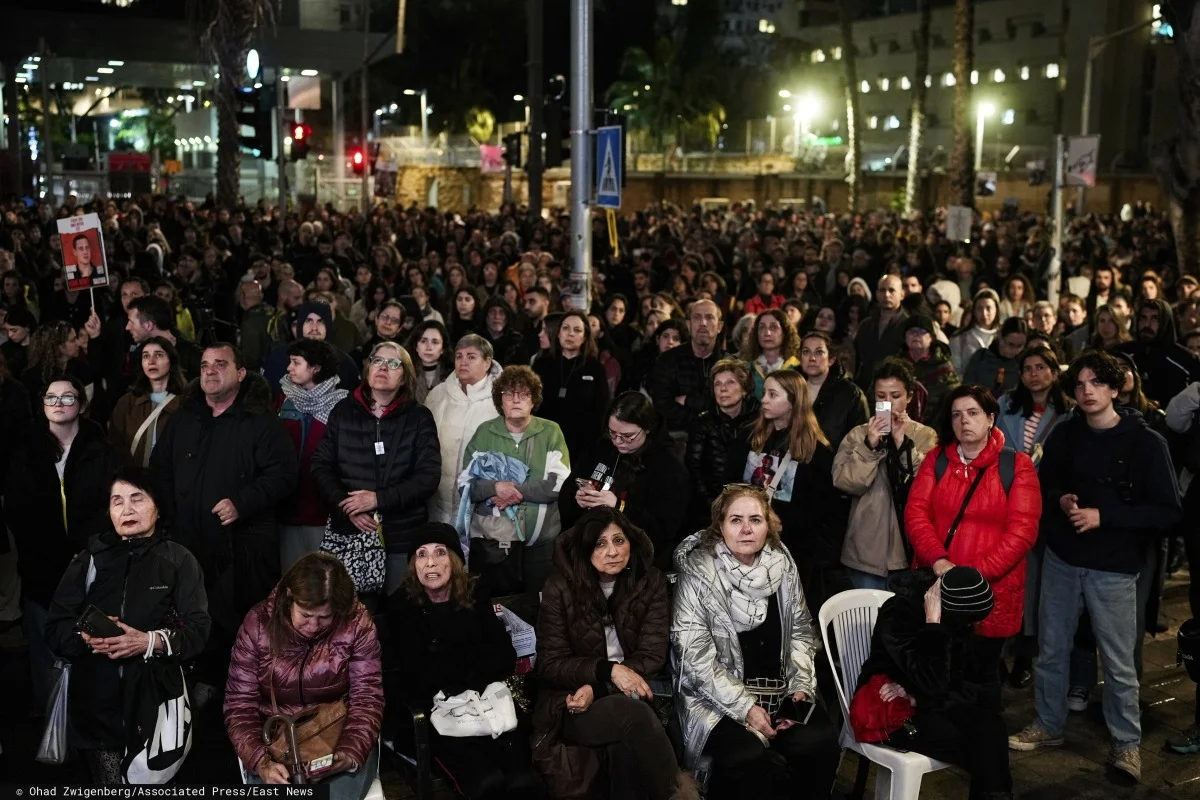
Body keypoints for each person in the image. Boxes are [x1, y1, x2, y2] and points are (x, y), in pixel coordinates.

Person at [1009, 351, 1181, 784]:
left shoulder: (1145, 442)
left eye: (1096, 383)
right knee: (1051, 650)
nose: (1087, 391)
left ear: (1115, 387)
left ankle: (1126, 745)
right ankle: (1048, 724)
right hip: (1064, 558)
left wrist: (1106, 517)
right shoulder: (1067, 433)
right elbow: (1045, 484)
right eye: (1080, 384)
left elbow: (1167, 512)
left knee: (1119, 663)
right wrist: (1061, 500)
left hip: (1114, 566)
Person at [671, 484, 840, 800]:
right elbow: (694, 659)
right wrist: (746, 708)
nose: (746, 529)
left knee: (819, 743)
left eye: (755, 519)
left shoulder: (782, 563)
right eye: (735, 520)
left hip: (779, 693)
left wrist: (799, 691)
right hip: (717, 701)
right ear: (719, 526)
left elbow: (801, 633)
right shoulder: (698, 572)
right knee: (747, 757)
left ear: (768, 525)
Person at [45, 466, 211, 784]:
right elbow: (54, 631)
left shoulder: (178, 560)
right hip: (95, 712)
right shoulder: (88, 560)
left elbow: (199, 631)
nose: (127, 509)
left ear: (158, 507)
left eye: (137, 498)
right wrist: (84, 636)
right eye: (117, 501)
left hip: (157, 706)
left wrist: (147, 641)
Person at [149, 343, 298, 692]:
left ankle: (243, 699)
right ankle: (199, 690)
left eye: (220, 364)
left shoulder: (260, 422)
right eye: (204, 365)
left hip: (242, 552)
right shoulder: (184, 419)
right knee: (193, 621)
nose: (210, 371)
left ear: (241, 373)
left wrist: (242, 503)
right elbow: (159, 471)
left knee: (243, 633)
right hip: (187, 546)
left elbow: (284, 476)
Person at [531, 508, 694, 800]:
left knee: (625, 748)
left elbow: (652, 653)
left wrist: (601, 685)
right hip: (571, 702)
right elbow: (550, 663)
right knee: (632, 715)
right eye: (600, 543)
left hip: (633, 691)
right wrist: (607, 672)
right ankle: (679, 795)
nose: (612, 552)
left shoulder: (650, 581)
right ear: (585, 548)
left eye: (619, 541)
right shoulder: (559, 587)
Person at [904, 383, 1040, 710]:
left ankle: (981, 744)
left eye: (973, 413)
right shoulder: (937, 460)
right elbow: (916, 514)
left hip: (989, 592)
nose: (964, 421)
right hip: (938, 581)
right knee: (939, 666)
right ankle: (943, 740)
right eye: (956, 415)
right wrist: (938, 562)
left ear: (991, 418)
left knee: (982, 674)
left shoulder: (1016, 465)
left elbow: (1021, 533)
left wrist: (969, 577)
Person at [385, 523, 543, 799]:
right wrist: (471, 668)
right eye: (421, 555)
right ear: (413, 565)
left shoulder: (474, 593)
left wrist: (457, 672)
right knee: (487, 783)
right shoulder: (402, 606)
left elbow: (504, 656)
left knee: (524, 781)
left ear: (455, 560)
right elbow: (416, 677)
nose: (431, 562)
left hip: (487, 705)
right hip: (439, 715)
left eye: (440, 553)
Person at [224, 553, 383, 799]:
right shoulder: (258, 624)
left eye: (324, 618)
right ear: (289, 598)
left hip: (338, 737)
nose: (313, 626)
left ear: (338, 611)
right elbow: (239, 706)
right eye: (306, 615)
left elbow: (367, 698)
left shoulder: (357, 623)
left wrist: (349, 753)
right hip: (276, 746)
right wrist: (260, 762)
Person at [6, 375, 121, 712]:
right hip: (41, 565)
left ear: (80, 405)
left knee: (94, 643)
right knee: (45, 646)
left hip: (91, 563)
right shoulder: (26, 450)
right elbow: (17, 508)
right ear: (42, 406)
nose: (58, 403)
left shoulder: (101, 449)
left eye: (67, 397)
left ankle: (92, 721)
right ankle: (53, 726)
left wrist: (91, 549)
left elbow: (112, 504)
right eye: (51, 398)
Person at [852, 568, 1013, 800]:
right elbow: (932, 680)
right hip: (891, 707)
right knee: (978, 746)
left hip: (925, 698)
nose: (972, 626)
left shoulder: (960, 615)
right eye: (969, 621)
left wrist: (921, 697)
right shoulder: (901, 612)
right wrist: (933, 624)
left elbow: (972, 682)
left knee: (991, 726)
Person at [311, 341, 441, 596]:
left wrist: (377, 499)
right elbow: (320, 465)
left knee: (398, 616)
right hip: (350, 534)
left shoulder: (419, 418)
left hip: (401, 537)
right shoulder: (343, 411)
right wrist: (346, 508)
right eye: (377, 360)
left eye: (394, 363)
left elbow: (428, 477)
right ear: (367, 368)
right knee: (351, 616)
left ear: (405, 377)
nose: (383, 367)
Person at [733, 370, 842, 603]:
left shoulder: (816, 451)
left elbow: (824, 511)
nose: (764, 400)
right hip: (745, 548)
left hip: (794, 554)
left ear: (793, 401)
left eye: (773, 395)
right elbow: (730, 485)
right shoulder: (749, 437)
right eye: (765, 393)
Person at [461, 365, 571, 595]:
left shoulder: (551, 431)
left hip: (541, 542)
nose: (516, 400)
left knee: (540, 607)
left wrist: (513, 492)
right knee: (497, 608)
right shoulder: (484, 432)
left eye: (524, 394)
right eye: (509, 394)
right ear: (500, 401)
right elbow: (466, 485)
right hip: (494, 543)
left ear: (534, 400)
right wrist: (495, 487)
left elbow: (558, 483)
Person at [834, 358, 938, 590]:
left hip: (910, 549)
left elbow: (923, 485)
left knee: (903, 624)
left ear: (909, 397)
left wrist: (902, 442)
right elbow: (845, 483)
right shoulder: (857, 435)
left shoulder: (925, 436)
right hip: (865, 552)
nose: (888, 402)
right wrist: (869, 445)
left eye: (895, 395)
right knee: (864, 624)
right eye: (881, 396)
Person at [560, 392, 691, 572]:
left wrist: (619, 506)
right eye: (612, 433)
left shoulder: (668, 468)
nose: (618, 441)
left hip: (636, 565)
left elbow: (663, 530)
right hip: (587, 555)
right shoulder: (602, 447)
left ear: (647, 428)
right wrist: (577, 497)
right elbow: (567, 489)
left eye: (628, 436)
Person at [276, 338, 349, 572]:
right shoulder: (282, 401)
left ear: (315, 368)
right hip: (286, 508)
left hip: (323, 511)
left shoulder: (341, 406)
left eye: (296, 362)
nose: (289, 368)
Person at [426, 334, 503, 524]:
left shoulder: (500, 399)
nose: (463, 362)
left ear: (487, 362)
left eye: (471, 356)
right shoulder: (438, 394)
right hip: (437, 496)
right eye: (459, 356)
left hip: (481, 501)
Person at [533, 310, 611, 468]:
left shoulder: (595, 368)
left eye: (577, 330)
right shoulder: (541, 364)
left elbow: (601, 411)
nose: (570, 334)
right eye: (566, 328)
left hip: (581, 447)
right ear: (558, 333)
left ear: (585, 336)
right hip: (544, 443)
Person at [687, 358, 759, 519]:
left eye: (730, 383)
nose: (723, 389)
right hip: (711, 503)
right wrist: (713, 504)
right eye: (717, 384)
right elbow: (694, 469)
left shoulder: (759, 421)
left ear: (744, 389)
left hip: (752, 501)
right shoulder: (702, 422)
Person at [649, 299, 724, 436]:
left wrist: (689, 400)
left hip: (720, 438)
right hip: (678, 438)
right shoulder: (666, 361)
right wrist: (700, 422)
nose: (703, 323)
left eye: (709, 317)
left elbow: (731, 406)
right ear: (689, 325)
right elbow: (662, 406)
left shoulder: (729, 364)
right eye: (697, 317)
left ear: (719, 326)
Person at [108, 336, 186, 467]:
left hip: (172, 481)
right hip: (135, 480)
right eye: (146, 356)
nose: (151, 361)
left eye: (159, 355)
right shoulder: (127, 403)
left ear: (171, 360)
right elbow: (114, 446)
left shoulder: (184, 403)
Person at [1115, 297, 1200, 407]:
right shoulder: (1123, 355)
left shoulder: (1186, 361)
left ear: (1165, 322)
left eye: (1154, 319)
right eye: (1143, 318)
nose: (1147, 324)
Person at [800, 330, 869, 452]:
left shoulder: (851, 394)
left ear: (831, 360)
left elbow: (861, 441)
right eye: (806, 352)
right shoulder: (791, 388)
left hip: (834, 466)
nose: (812, 358)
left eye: (819, 352)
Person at [125, 295, 203, 380]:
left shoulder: (192, 354)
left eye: (131, 322)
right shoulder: (138, 355)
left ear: (148, 325)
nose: (127, 327)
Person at [852, 275, 908, 391]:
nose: (886, 295)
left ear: (902, 294)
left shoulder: (909, 326)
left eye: (891, 290)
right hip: (864, 389)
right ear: (877, 294)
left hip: (892, 391)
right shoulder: (866, 325)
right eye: (882, 290)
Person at [901, 313, 960, 423]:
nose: (915, 335)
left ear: (931, 338)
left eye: (921, 331)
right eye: (911, 331)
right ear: (904, 337)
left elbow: (955, 403)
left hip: (933, 431)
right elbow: (880, 399)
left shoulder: (943, 368)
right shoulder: (895, 366)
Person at [739, 308, 800, 399]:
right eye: (762, 327)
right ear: (756, 333)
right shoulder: (746, 368)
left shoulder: (798, 367)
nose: (767, 333)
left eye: (773, 327)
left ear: (785, 332)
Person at [963, 317, 1029, 397]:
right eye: (1011, 344)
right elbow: (967, 389)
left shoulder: (1023, 364)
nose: (1015, 350)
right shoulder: (981, 357)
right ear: (1000, 336)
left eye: (1019, 346)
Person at [949, 289, 1001, 374]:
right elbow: (955, 370)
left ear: (996, 309)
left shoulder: (1004, 336)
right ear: (974, 311)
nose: (984, 313)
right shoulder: (960, 337)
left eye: (988, 308)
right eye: (979, 309)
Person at [407, 320, 453, 404]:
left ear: (443, 348)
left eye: (435, 342)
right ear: (416, 346)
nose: (429, 347)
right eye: (423, 341)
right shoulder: (406, 374)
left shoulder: (453, 376)